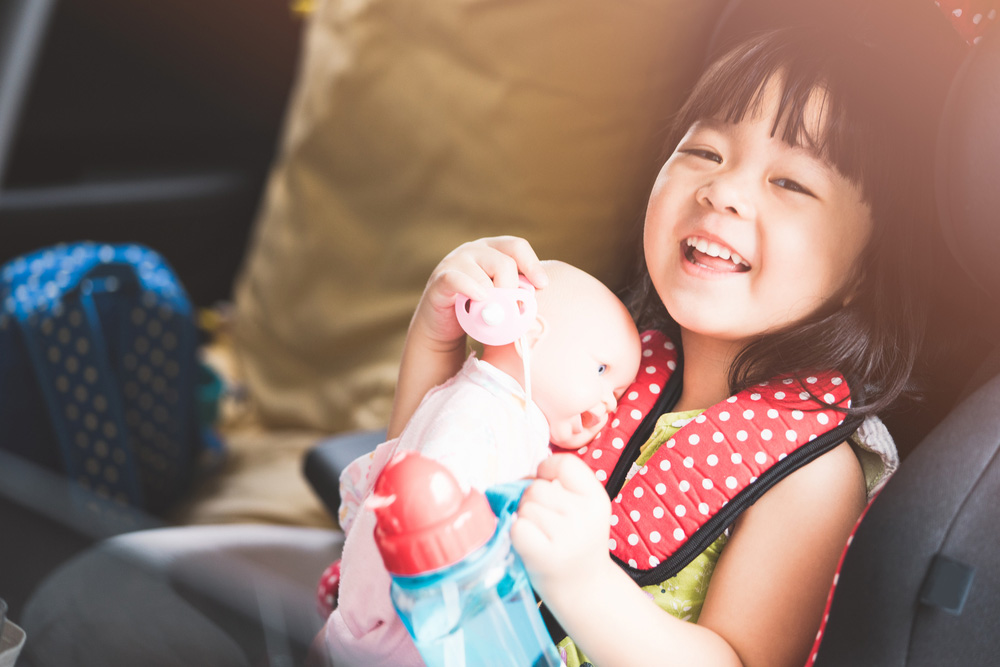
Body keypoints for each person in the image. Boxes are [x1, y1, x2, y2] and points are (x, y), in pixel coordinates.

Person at [366, 26, 927, 667]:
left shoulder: (813, 476)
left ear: (863, 273)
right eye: (706, 151)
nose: (723, 190)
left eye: (791, 183)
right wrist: (436, 336)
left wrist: (583, 582)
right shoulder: (603, 365)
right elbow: (424, 482)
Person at [324, 260, 642, 665]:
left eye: (620, 392)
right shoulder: (482, 412)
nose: (611, 402)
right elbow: (430, 507)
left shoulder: (500, 407)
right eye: (600, 370)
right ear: (530, 337)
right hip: (404, 631)